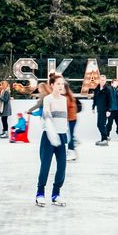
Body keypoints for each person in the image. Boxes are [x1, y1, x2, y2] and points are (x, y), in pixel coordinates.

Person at [36, 74, 71, 206]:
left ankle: (56, 194)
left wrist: (65, 137)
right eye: (58, 84)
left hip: (62, 137)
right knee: (45, 166)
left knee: (62, 166)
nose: (61, 86)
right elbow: (47, 117)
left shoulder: (64, 100)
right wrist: (52, 134)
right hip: (49, 136)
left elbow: (64, 120)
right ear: (52, 85)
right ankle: (40, 194)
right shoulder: (47, 99)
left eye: (62, 84)